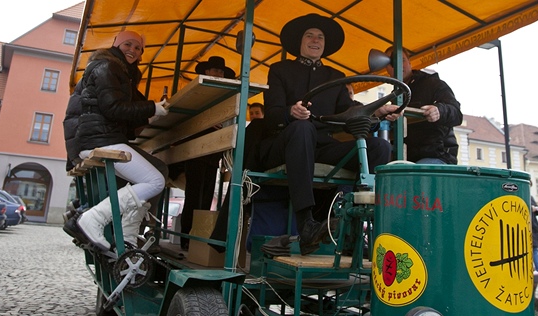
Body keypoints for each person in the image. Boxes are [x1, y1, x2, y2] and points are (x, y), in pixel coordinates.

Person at [259, 13, 402, 255]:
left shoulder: (335, 77)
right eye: (309, 35)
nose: (315, 40)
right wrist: (290, 112)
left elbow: (346, 114)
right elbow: (271, 115)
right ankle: (306, 224)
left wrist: (376, 111)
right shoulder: (280, 70)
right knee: (302, 127)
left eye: (320, 37)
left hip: (321, 147)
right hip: (284, 144)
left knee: (380, 148)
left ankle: (354, 228)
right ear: (300, 42)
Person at [63, 30, 169, 252]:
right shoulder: (108, 67)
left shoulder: (119, 71)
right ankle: (92, 219)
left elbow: (116, 107)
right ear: (116, 45)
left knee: (158, 168)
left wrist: (148, 112)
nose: (132, 50)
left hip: (95, 138)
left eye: (138, 48)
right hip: (98, 139)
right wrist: (152, 108)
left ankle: (129, 236)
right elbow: (113, 108)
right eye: (127, 45)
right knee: (155, 181)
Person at [174, 56, 235, 250]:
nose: (218, 73)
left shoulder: (225, 96)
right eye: (214, 70)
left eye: (220, 71)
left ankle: (197, 237)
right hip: (195, 152)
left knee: (206, 197)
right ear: (206, 72)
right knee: (194, 195)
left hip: (213, 155)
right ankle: (186, 238)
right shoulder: (198, 92)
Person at [384, 46, 463, 164]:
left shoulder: (433, 84)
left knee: (413, 178)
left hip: (438, 156)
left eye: (402, 60)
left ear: (410, 62)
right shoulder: (395, 95)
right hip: (408, 158)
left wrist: (439, 110)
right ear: (387, 69)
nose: (398, 65)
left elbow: (457, 114)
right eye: (391, 63)